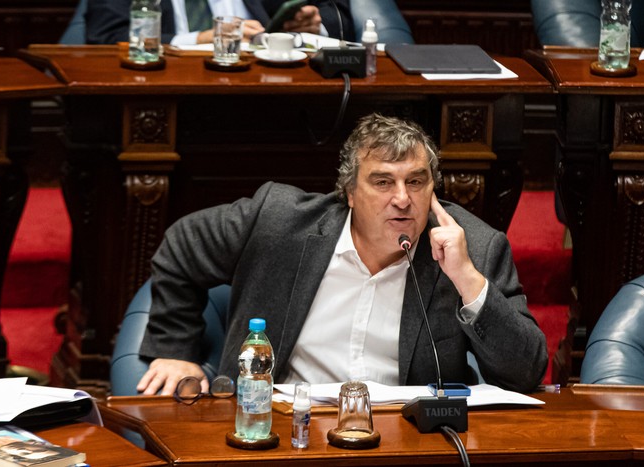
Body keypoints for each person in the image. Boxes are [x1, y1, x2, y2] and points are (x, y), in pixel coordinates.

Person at [137, 113, 548, 396]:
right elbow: (180, 247)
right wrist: (175, 352)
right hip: (277, 430)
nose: (402, 199)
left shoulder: (472, 245)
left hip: (405, 443)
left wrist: (468, 281)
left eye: (416, 182)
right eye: (383, 182)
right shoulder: (278, 222)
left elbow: (526, 373)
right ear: (349, 192)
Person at [86, 0, 354, 45]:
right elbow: (107, 37)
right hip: (175, 87)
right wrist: (198, 39)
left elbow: (336, 12)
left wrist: (314, 23)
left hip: (272, 79)